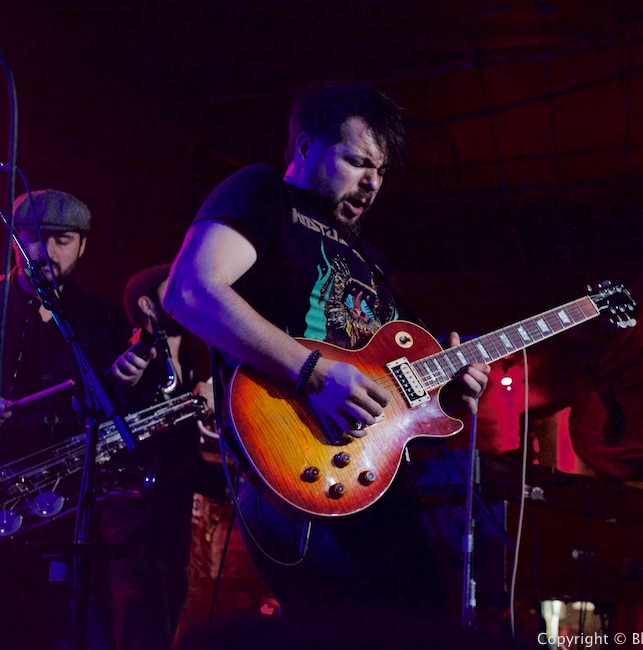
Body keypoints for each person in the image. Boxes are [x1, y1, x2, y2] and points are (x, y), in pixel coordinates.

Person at [163, 83, 490, 638]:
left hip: (374, 475)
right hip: (292, 459)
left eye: (380, 171)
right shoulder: (263, 193)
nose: (371, 183)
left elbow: (384, 381)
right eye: (357, 161)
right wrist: (310, 371)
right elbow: (190, 290)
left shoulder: (371, 258)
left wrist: (444, 392)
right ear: (306, 146)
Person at [0, 189, 152, 650]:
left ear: (83, 246)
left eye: (61, 240)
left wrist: (130, 381)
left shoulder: (99, 322)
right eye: (32, 238)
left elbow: (115, 417)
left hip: (56, 516)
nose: (45, 252)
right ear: (13, 240)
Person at [88, 263, 214, 649]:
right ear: (146, 303)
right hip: (133, 523)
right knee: (145, 630)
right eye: (171, 287)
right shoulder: (131, 358)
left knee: (167, 622)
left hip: (171, 527)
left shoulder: (192, 365)